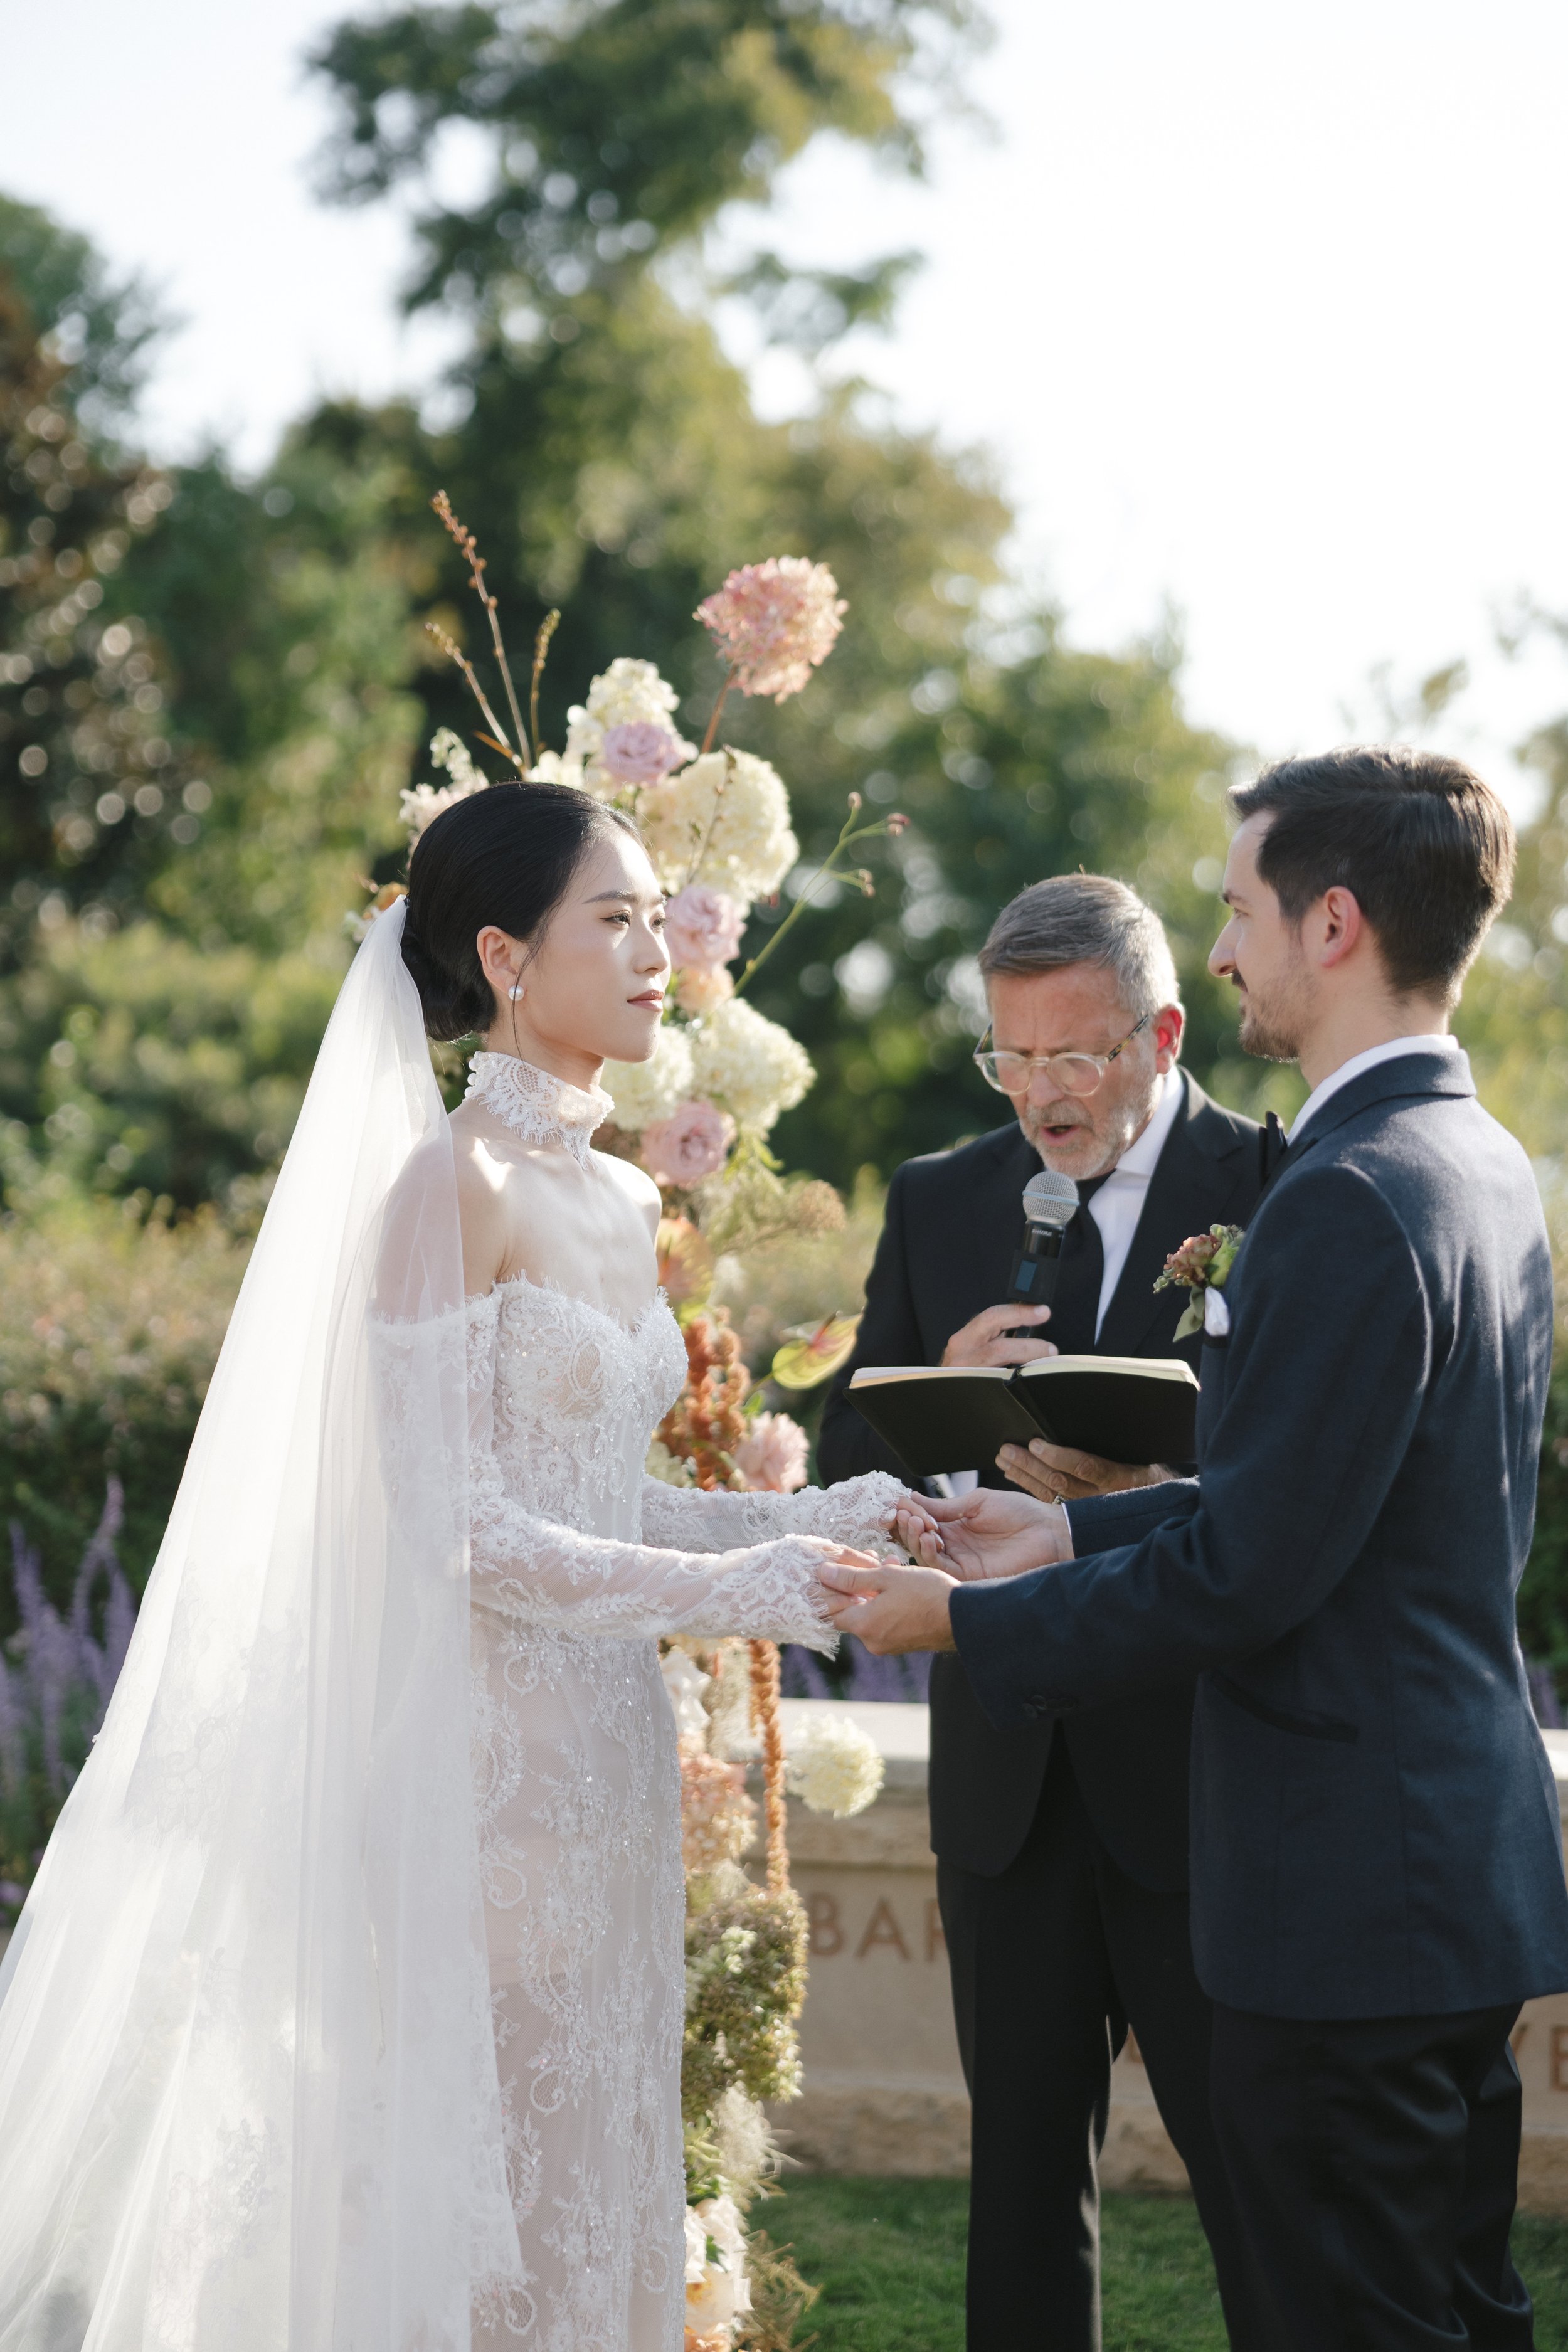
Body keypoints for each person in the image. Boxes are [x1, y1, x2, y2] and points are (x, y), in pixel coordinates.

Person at [0, 781, 904, 2349]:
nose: (650, 956)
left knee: (598, 2165)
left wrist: (826, 1523)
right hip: (475, 1786)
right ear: (501, 954)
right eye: (607, 921)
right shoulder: (448, 1190)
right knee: (473, 2204)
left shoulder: (626, 1197)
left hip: (608, 1772)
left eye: (650, 920)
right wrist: (737, 1597)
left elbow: (604, 1503)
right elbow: (462, 1531)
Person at [822, 746, 1568, 2350]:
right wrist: (1069, 1525)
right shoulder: (1476, 1159)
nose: (1222, 945)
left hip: (1342, 1891)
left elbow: (1252, 1571)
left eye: (1238, 908)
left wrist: (972, 1621)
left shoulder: (1344, 1190)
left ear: (1334, 924)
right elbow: (1305, 1506)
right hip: (1437, 1868)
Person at [818, 874, 1266, 2347]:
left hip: (1205, 1771)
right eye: (1009, 1057)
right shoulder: (940, 1197)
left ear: (1163, 1032)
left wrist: (1146, 1472)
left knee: (1256, 2184)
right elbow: (842, 1459)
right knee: (1017, 2187)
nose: (1040, 1097)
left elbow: (1309, 1468)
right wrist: (936, 1404)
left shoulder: (1278, 1188)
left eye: (1074, 1056)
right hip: (1006, 1772)